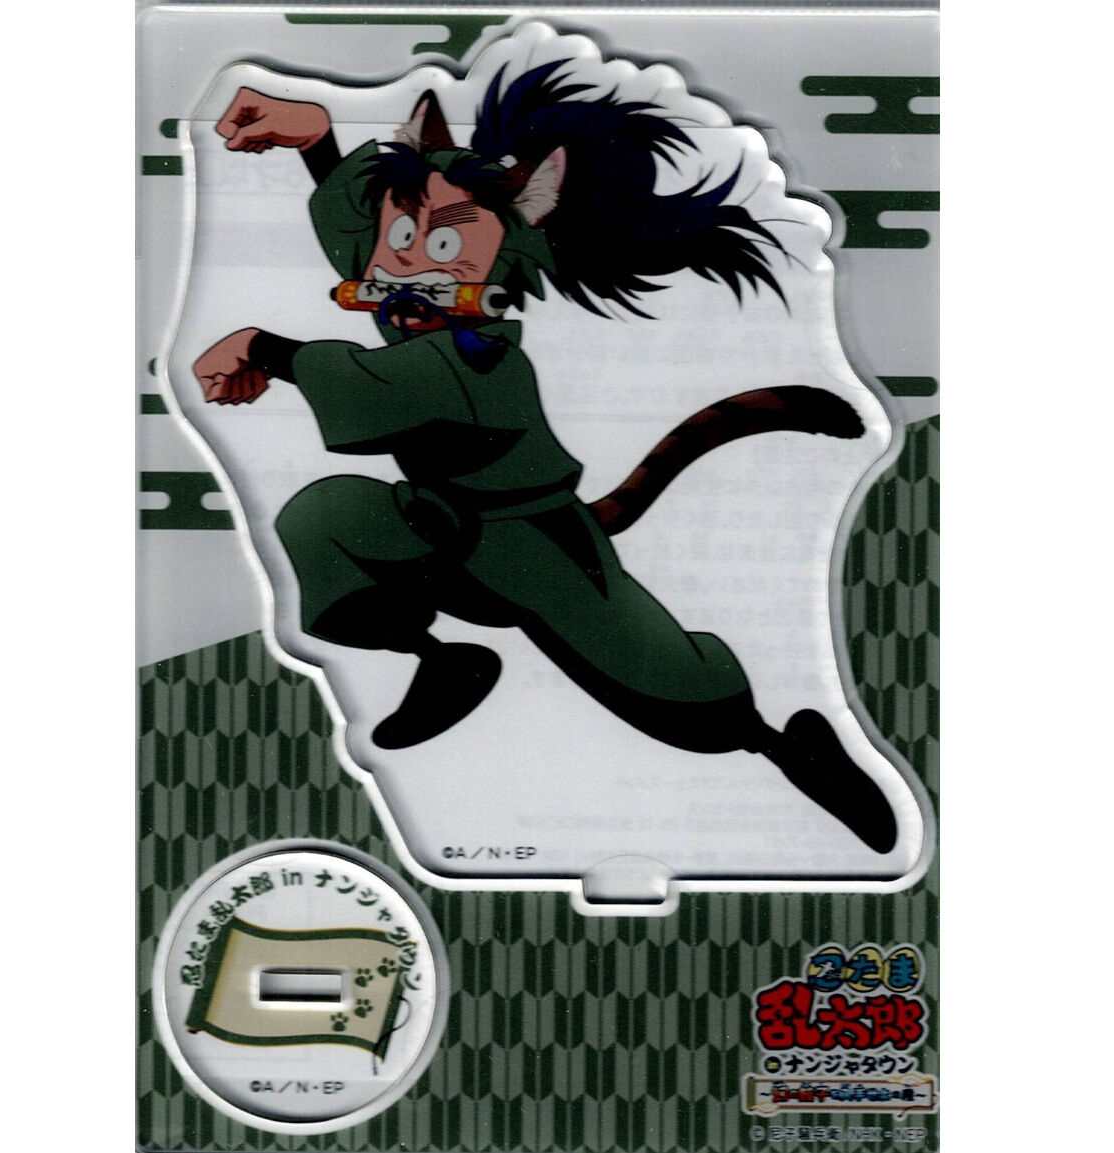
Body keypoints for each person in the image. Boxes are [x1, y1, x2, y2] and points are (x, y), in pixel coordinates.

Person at [194, 65, 897, 853]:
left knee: (666, 685)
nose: (405, 260)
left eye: (445, 243)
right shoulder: (413, 297)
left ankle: (784, 745)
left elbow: (376, 386)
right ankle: (441, 659)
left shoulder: (479, 355)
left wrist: (265, 348)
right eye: (403, 236)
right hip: (440, 525)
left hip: (536, 543)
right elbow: (365, 239)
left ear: (507, 254)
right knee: (323, 516)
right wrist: (318, 140)